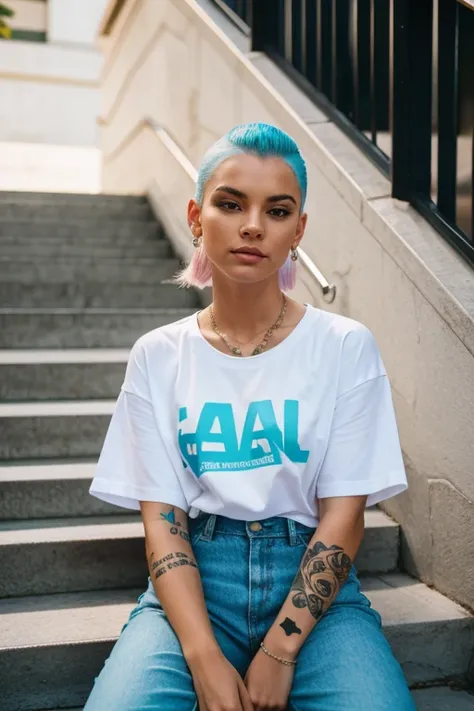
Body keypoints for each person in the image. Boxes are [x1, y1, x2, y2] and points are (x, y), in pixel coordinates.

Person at [84, 122, 416, 711]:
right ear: (195, 216)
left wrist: (280, 650)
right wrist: (203, 655)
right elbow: (163, 524)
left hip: (314, 586)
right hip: (195, 587)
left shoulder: (343, 345)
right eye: (231, 204)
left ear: (299, 230)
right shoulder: (159, 356)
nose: (253, 225)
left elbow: (344, 516)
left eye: (278, 210)